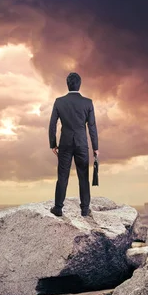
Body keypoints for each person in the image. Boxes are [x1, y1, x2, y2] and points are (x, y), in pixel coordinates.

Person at [48, 72, 99, 217]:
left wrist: (53, 144)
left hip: (65, 143)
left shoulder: (59, 101)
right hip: (82, 143)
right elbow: (92, 126)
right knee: (83, 176)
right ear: (79, 84)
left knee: (62, 176)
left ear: (67, 84)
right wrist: (95, 147)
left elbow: (52, 125)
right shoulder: (88, 102)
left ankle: (58, 208)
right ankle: (84, 209)